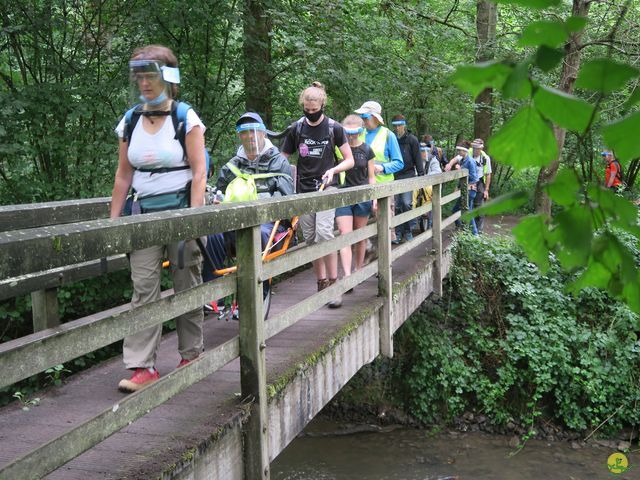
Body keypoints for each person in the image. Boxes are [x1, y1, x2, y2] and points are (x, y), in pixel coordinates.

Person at [110, 45, 207, 392]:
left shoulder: (186, 118)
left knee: (186, 283)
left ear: (168, 77)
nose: (144, 82)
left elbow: (199, 173)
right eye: (139, 75)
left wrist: (194, 221)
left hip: (181, 214)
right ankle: (142, 367)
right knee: (143, 288)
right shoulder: (131, 120)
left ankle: (191, 355)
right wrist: (114, 222)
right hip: (143, 215)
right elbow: (123, 176)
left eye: (150, 74)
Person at [281, 82, 354, 308]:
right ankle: (321, 282)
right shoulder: (297, 128)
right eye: (307, 109)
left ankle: (334, 284)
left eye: (314, 109)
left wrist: (333, 169)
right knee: (311, 239)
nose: (311, 113)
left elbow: (349, 160)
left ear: (322, 104)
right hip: (304, 190)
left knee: (324, 233)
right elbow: (282, 157)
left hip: (327, 187)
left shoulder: (334, 128)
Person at [203, 112, 295, 282]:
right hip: (234, 221)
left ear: (263, 133)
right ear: (239, 136)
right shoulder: (232, 166)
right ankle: (215, 297)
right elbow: (219, 193)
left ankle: (257, 288)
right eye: (244, 132)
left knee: (255, 233)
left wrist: (257, 210)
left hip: (267, 222)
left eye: (253, 131)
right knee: (211, 237)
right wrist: (217, 200)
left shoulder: (279, 162)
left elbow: (286, 200)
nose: (249, 136)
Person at [335, 115, 376, 289]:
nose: (351, 136)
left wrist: (374, 198)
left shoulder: (367, 150)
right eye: (348, 133)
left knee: (359, 237)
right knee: (345, 236)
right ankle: (347, 275)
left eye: (354, 133)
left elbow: (371, 177)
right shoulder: (339, 150)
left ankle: (358, 270)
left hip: (362, 196)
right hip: (343, 196)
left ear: (360, 131)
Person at [354, 101, 403, 243]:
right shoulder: (359, 134)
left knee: (384, 226)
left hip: (383, 187)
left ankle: (385, 260)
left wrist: (382, 168)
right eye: (362, 117)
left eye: (365, 117)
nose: (363, 120)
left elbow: (399, 162)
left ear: (375, 117)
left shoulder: (388, 135)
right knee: (360, 227)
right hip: (361, 185)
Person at [391, 114, 424, 244]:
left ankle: (408, 230)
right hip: (394, 175)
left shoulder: (412, 140)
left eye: (400, 125)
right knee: (397, 205)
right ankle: (398, 233)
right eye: (395, 126)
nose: (398, 128)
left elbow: (418, 159)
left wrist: (421, 176)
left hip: (408, 175)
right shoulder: (391, 138)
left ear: (404, 125)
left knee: (406, 203)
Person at [445, 141, 479, 235]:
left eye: (460, 150)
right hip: (465, 190)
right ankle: (463, 230)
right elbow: (462, 178)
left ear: (465, 151)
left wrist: (460, 170)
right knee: (461, 210)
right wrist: (457, 187)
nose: (459, 152)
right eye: (458, 150)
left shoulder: (470, 161)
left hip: (470, 191)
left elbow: (474, 178)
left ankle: (474, 233)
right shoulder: (463, 159)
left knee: (465, 211)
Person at [470, 138, 492, 234]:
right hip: (468, 181)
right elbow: (458, 159)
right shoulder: (468, 153)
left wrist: (486, 190)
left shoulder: (485, 158)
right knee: (467, 205)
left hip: (479, 182)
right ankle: (469, 229)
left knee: (479, 206)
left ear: (481, 148)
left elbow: (488, 174)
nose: (475, 150)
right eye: (474, 148)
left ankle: (478, 231)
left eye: (477, 148)